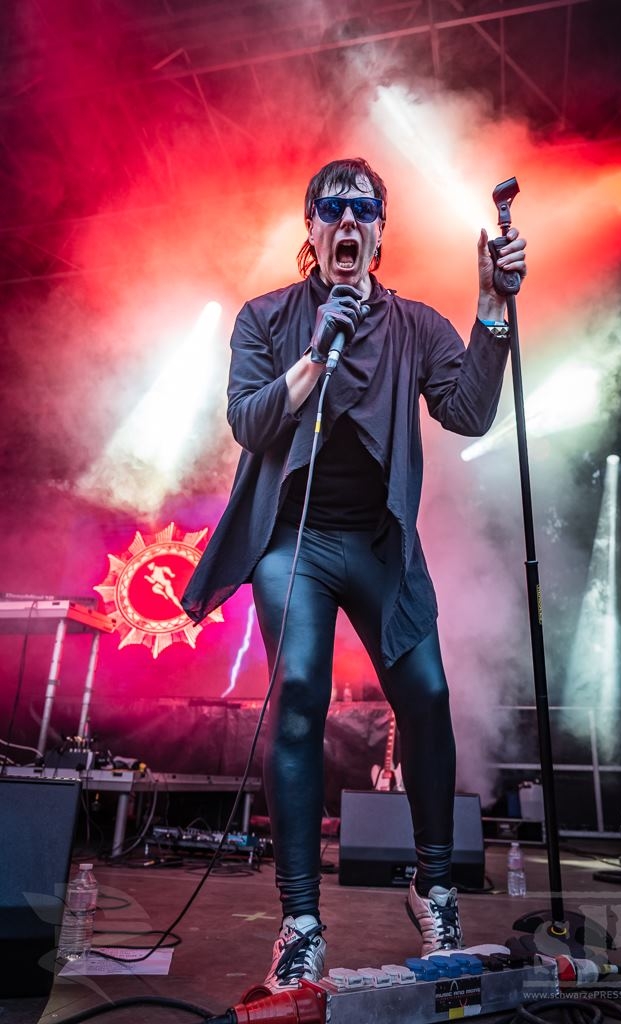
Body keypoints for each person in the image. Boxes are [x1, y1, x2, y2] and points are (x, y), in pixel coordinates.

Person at [182, 156, 527, 990]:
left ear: (378, 233)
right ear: (310, 228)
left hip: (376, 545)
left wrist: (490, 309)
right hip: (290, 543)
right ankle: (300, 921)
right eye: (331, 209)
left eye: (363, 210)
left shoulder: (414, 326)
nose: (347, 222)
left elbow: (469, 412)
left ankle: (433, 886)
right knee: (299, 689)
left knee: (429, 697)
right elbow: (249, 423)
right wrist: (315, 352)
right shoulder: (266, 318)